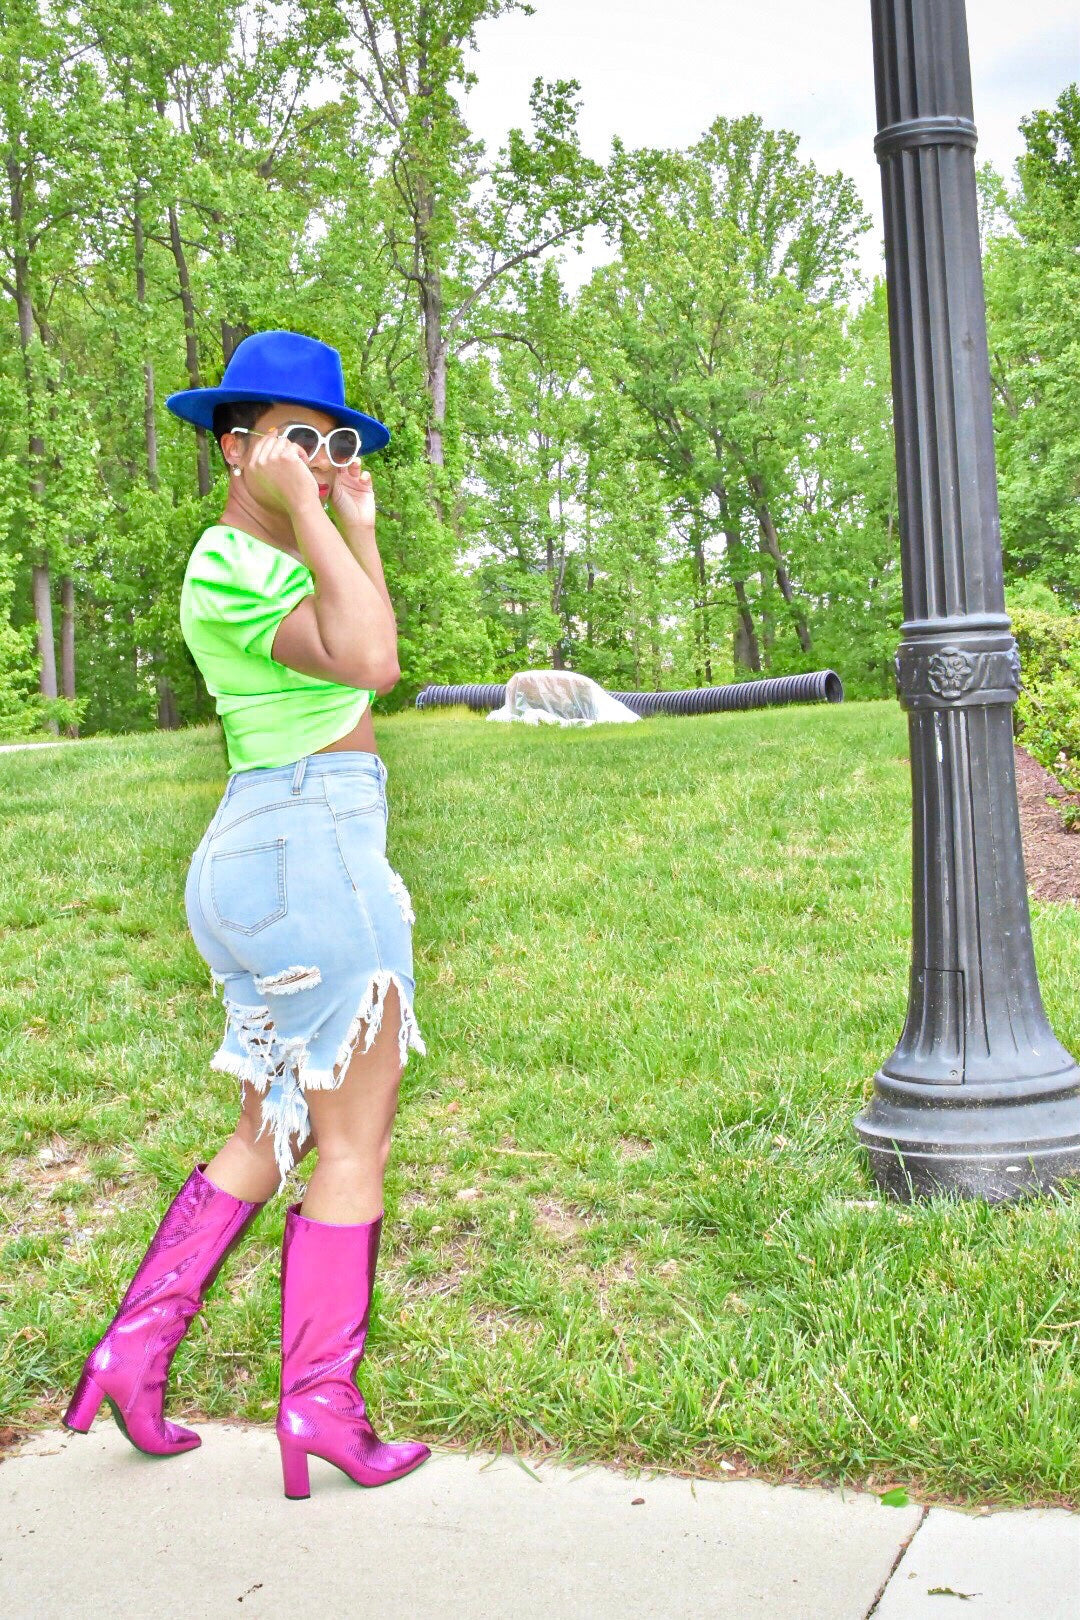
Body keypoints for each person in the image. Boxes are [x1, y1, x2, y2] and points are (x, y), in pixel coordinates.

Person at [62, 330, 431, 1499]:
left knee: (270, 1131)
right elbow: (371, 662)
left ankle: (135, 1350)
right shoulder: (233, 562)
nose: (321, 460)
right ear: (238, 448)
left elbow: (370, 640)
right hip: (305, 847)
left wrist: (353, 520)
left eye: (334, 443)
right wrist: (318, 517)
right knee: (350, 1145)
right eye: (295, 440)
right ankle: (322, 1407)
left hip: (279, 853)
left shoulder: (281, 558)